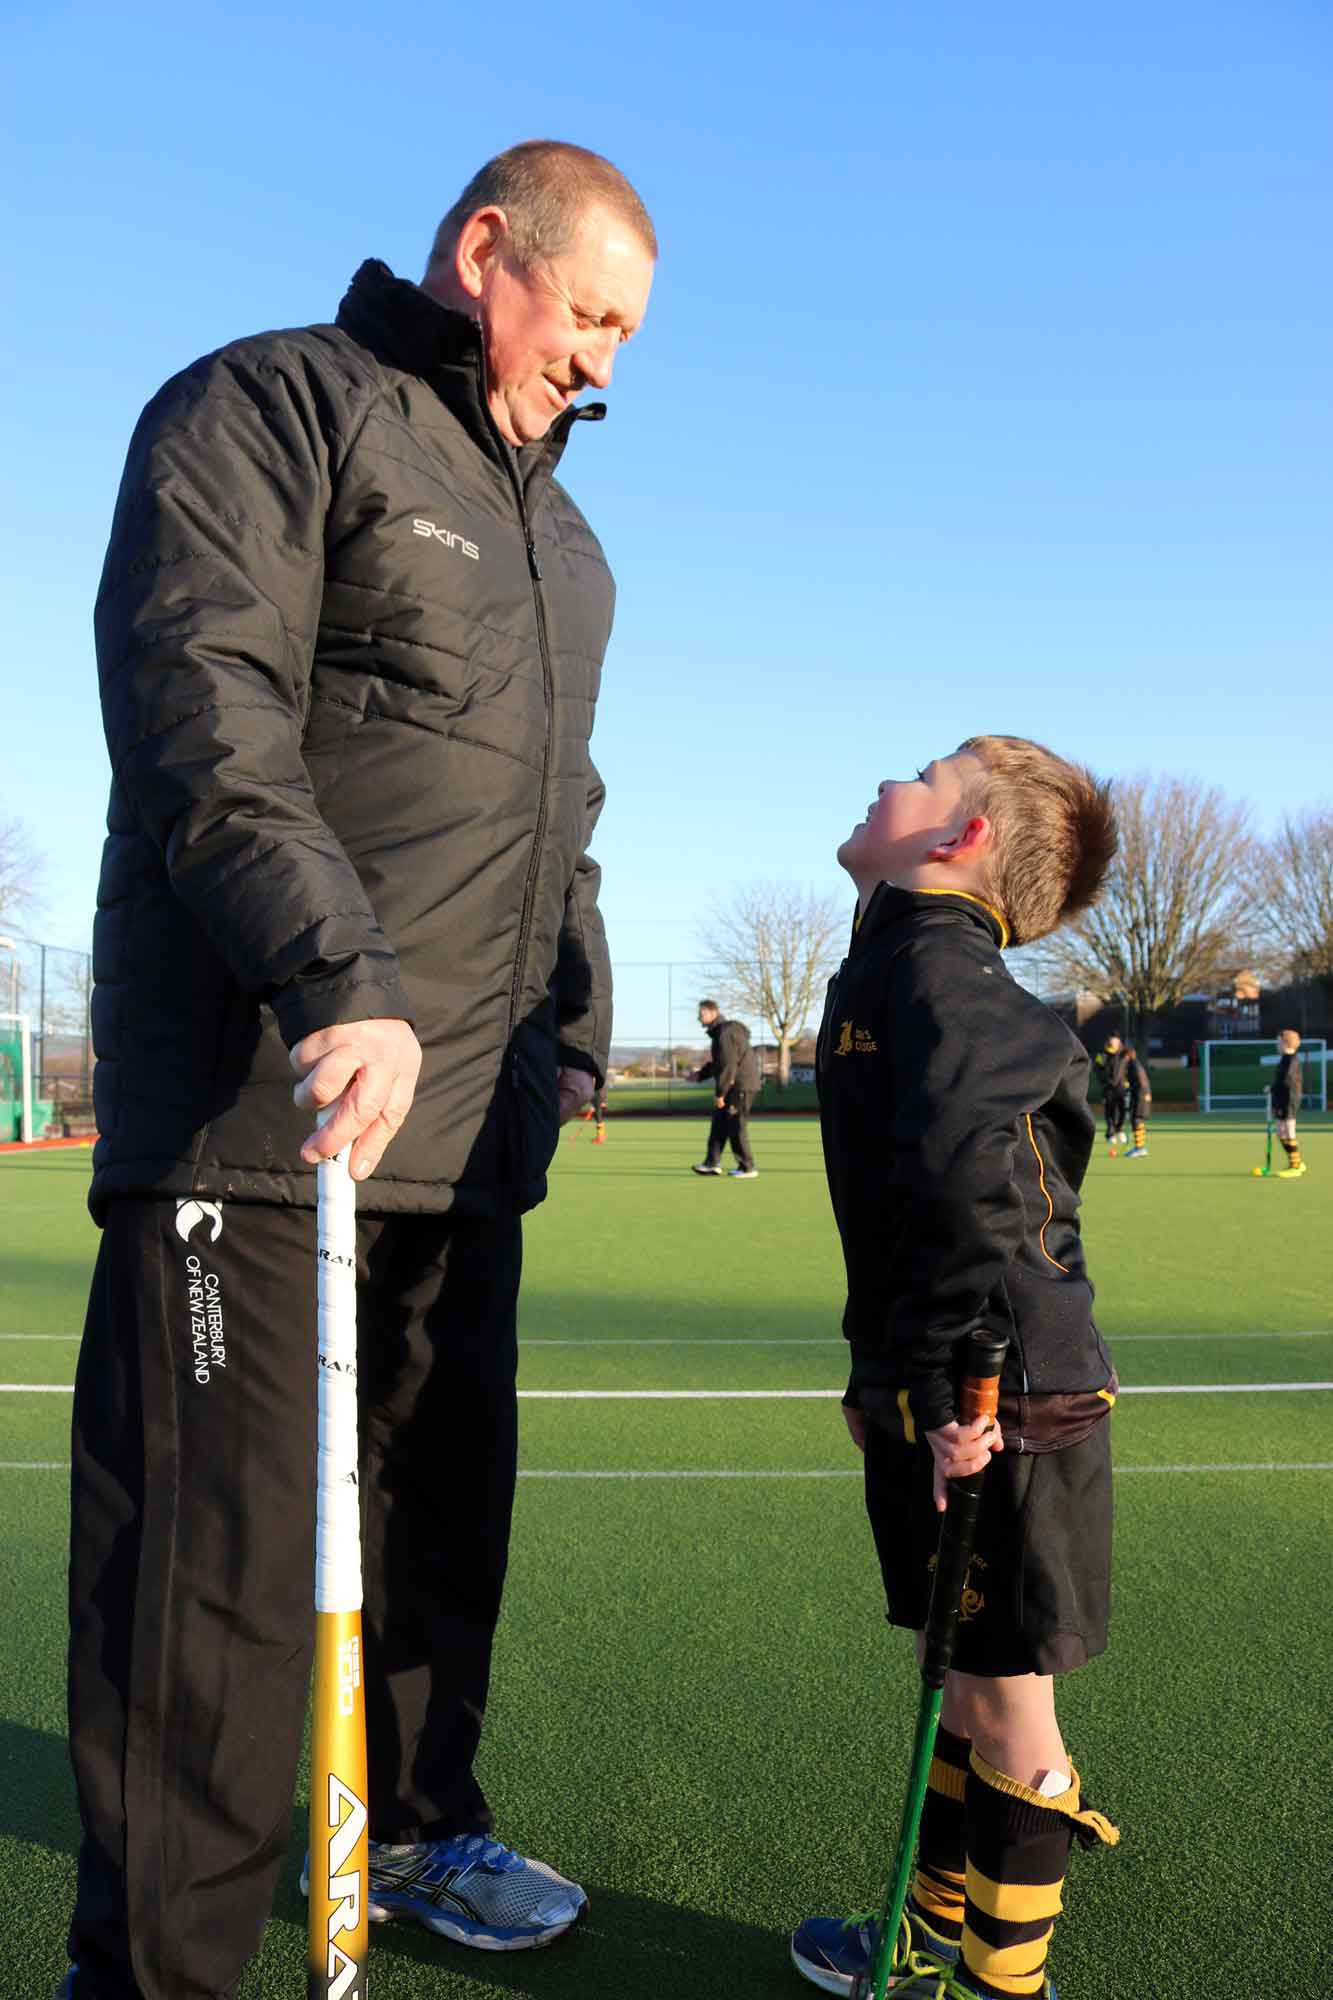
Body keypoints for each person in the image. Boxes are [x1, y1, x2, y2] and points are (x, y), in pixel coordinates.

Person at [62, 141, 656, 2000]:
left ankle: (412, 1832)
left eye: (630, 337)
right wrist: (341, 972)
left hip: (460, 1150)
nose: (606, 369)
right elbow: (198, 702)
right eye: (591, 317)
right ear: (489, 252)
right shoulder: (267, 409)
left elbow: (557, 824)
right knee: (214, 1592)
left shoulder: (571, 545)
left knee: (432, 1537)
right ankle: (153, 1970)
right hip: (263, 1121)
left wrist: (564, 1033)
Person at [790, 736, 1120, 2000]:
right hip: (946, 1381)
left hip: (1002, 1396)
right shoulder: (892, 966)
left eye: (922, 775)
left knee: (1007, 1702)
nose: (884, 779)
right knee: (970, 1677)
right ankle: (925, 1926)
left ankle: (999, 1982)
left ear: (960, 839)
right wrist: (891, 1376)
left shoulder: (945, 980)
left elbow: (977, 1197)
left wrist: (939, 1388)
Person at [690, 998, 761, 1178]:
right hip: (735, 1084)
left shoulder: (725, 1033)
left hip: (740, 1086)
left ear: (713, 1012)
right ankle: (711, 1164)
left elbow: (728, 1065)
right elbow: (719, 1063)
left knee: (736, 1125)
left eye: (701, 1014)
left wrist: (720, 1093)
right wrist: (700, 1075)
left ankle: (747, 1167)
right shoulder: (721, 1032)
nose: (699, 1018)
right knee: (719, 1123)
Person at [1271, 1028, 1305, 1178]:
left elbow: (1286, 1080)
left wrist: (1270, 1088)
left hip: (1290, 1100)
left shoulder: (1292, 1060)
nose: (1276, 1045)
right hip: (1281, 1099)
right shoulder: (1284, 1058)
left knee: (1289, 1130)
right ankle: (1296, 1161)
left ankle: (1295, 1165)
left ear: (1285, 1044)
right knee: (1279, 1131)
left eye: (1278, 1043)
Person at [1092, 1033, 1128, 1153]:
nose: (1113, 1043)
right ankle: (1111, 1133)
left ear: (1119, 1042)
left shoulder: (1123, 1054)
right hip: (1108, 1088)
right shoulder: (1102, 1055)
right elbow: (1097, 1070)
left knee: (1123, 1110)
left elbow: (1127, 1069)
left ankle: (1120, 1130)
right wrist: (1105, 1082)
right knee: (1109, 1111)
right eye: (1112, 1041)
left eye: (1116, 1041)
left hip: (1121, 1088)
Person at [1123, 1043, 1152, 1157]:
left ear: (1128, 1055)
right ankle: (1140, 1146)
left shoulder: (1134, 1065)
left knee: (1137, 1120)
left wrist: (1132, 1090)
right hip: (1139, 1096)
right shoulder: (1132, 1065)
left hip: (1140, 1097)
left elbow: (1142, 1083)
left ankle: (1140, 1148)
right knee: (1137, 1121)